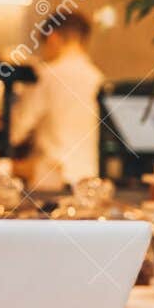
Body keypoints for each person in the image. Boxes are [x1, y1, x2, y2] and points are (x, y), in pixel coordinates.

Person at [9, 10, 105, 192]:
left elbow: (16, 130)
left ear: (52, 38)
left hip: (52, 179)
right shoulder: (97, 78)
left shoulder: (46, 76)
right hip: (89, 179)